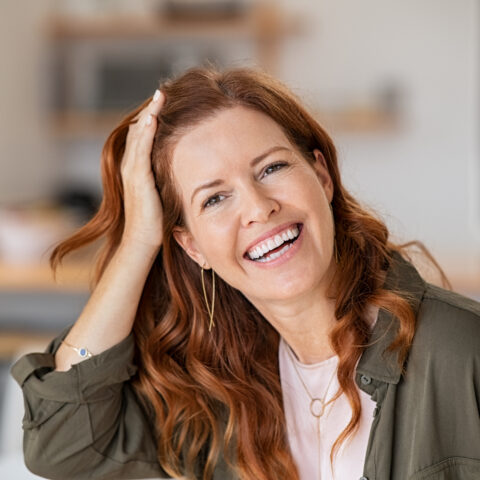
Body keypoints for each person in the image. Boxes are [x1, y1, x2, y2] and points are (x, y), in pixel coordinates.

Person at [11, 66, 480, 480]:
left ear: (321, 176)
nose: (259, 208)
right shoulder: (217, 393)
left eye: (271, 167)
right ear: (192, 245)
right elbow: (60, 445)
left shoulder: (459, 350)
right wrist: (137, 242)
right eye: (214, 198)